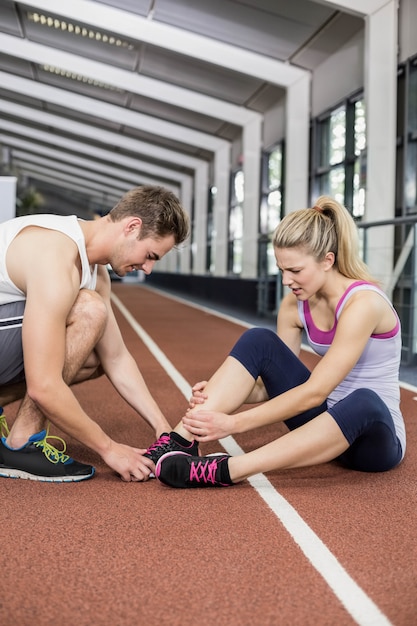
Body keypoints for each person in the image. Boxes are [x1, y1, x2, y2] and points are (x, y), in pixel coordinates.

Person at [147, 196, 406, 488]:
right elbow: (270, 388)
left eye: (295, 270)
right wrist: (224, 392)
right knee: (259, 339)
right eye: (282, 270)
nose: (286, 280)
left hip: (373, 442)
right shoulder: (293, 304)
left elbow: (314, 393)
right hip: (322, 428)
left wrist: (234, 423)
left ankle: (225, 470)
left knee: (364, 400)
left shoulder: (363, 304)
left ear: (327, 260)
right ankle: (181, 440)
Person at [0, 185, 194, 483]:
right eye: (151, 255)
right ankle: (22, 444)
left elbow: (116, 357)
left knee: (94, 357)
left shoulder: (93, 269)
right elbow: (43, 386)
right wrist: (110, 448)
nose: (149, 268)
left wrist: (164, 429)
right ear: (132, 227)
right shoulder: (55, 254)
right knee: (89, 311)